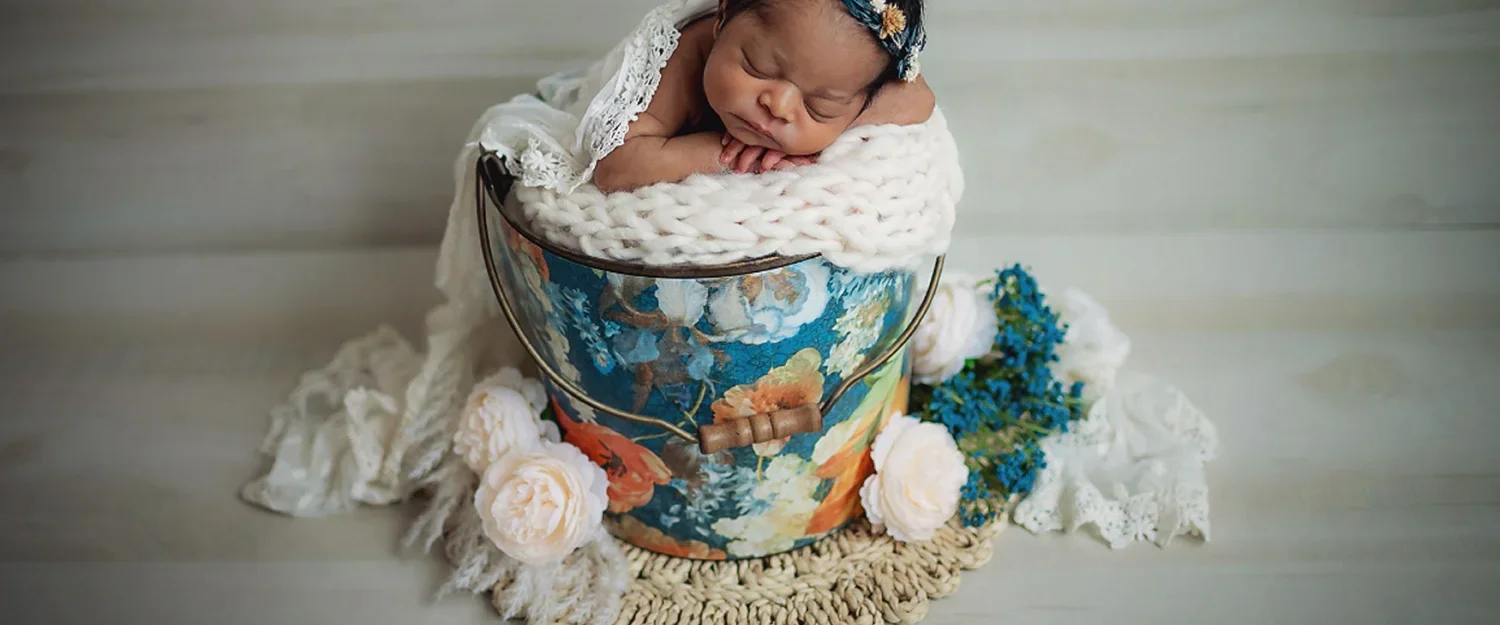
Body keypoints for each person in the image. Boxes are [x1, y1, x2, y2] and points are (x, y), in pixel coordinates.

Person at [592, 0, 934, 192]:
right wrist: (727, 153)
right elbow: (614, 167)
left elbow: (919, 99)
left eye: (819, 105)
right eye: (758, 68)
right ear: (723, 19)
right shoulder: (682, 56)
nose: (779, 106)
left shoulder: (855, 78)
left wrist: (834, 121)